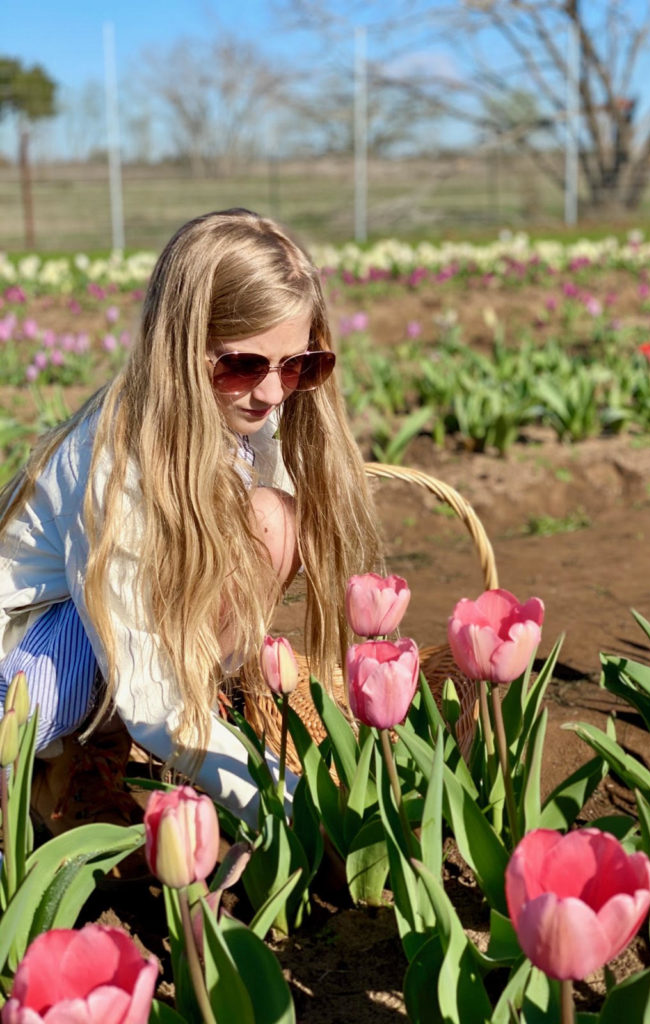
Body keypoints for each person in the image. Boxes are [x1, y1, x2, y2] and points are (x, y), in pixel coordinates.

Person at [0, 208, 382, 831]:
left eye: (298, 365)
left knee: (271, 521)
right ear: (177, 346)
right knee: (64, 698)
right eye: (243, 364)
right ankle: (58, 775)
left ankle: (181, 735)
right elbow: (150, 697)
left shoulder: (246, 411)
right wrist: (291, 810)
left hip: (122, 624)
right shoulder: (111, 463)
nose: (273, 392)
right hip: (34, 645)